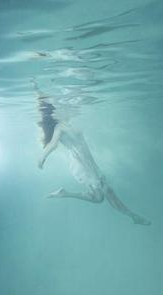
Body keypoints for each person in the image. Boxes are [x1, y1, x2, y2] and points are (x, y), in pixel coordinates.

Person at [33, 80, 151, 225]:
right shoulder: (59, 127)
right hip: (81, 162)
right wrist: (42, 157)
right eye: (65, 108)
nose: (70, 109)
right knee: (104, 193)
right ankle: (133, 216)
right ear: (57, 111)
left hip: (88, 160)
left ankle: (65, 193)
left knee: (99, 197)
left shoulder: (66, 124)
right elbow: (52, 144)